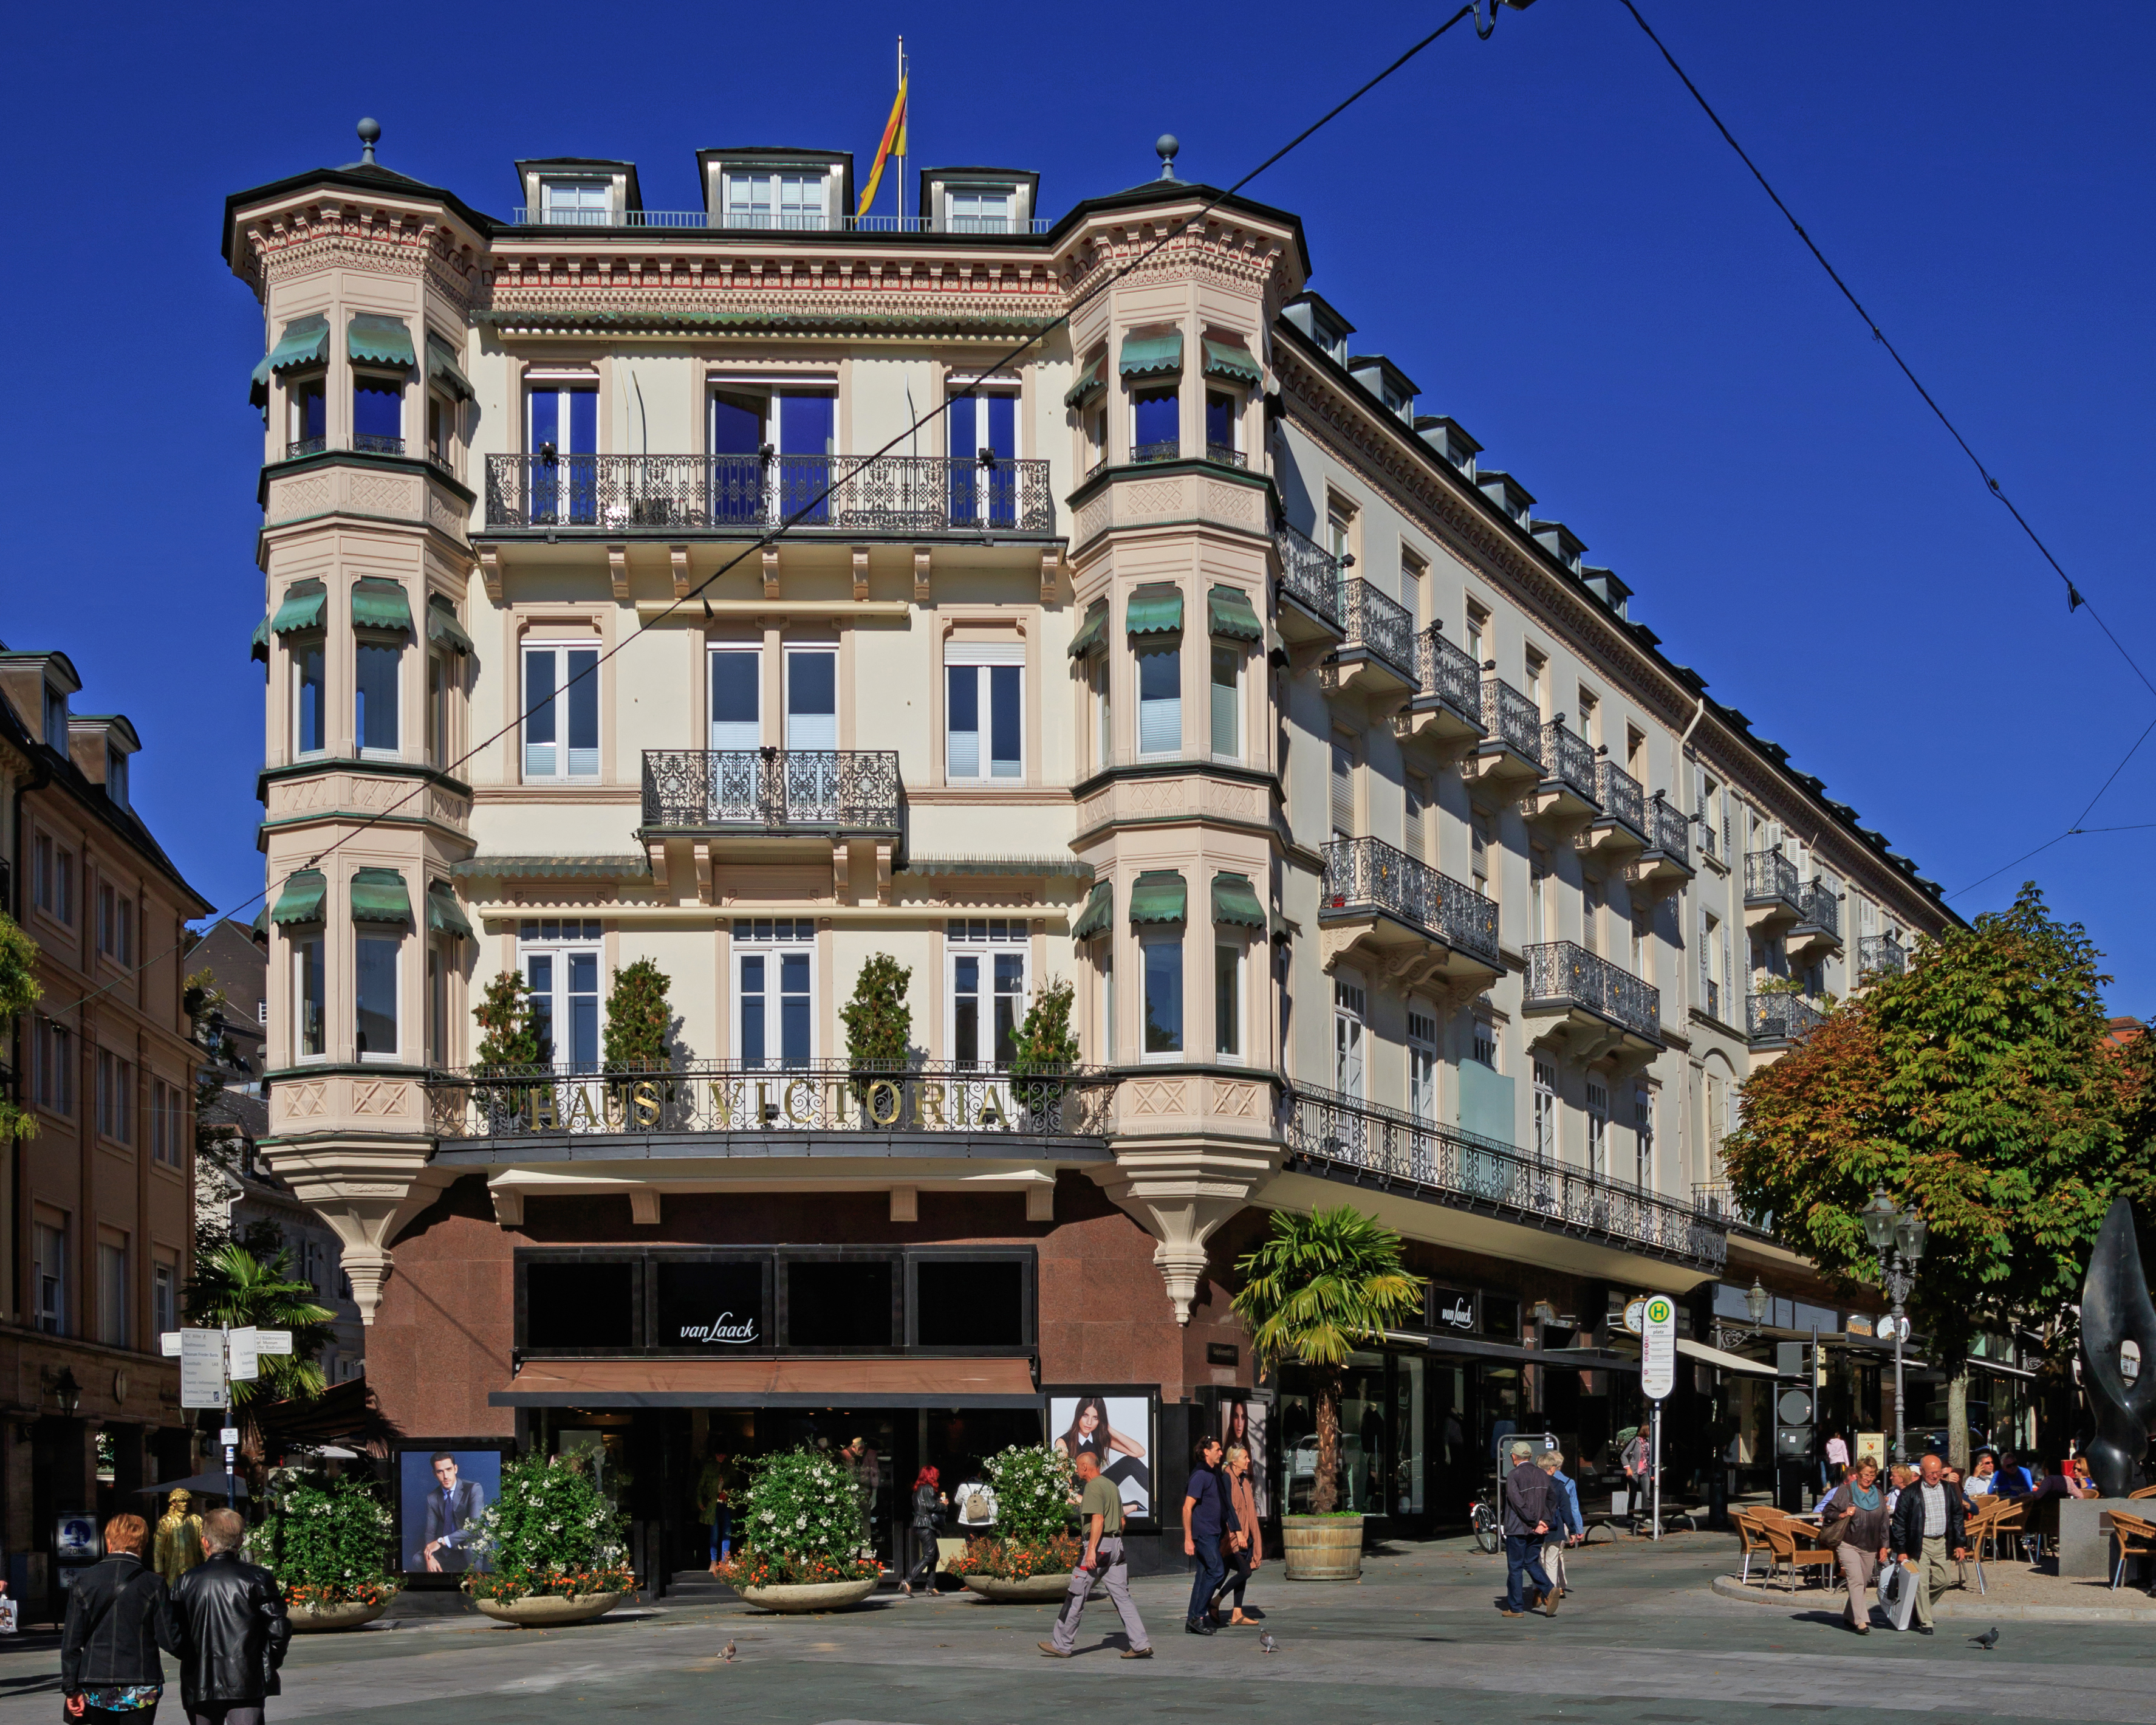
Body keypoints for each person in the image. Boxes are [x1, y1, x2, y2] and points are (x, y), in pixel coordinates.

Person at [172, 1507, 290, 1725]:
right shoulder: (257, 1577)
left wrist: (190, 1658)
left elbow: (173, 1632)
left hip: (200, 1680)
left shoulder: (185, 1582)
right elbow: (279, 1627)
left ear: (205, 1542)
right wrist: (267, 1660)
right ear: (240, 1541)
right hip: (246, 1678)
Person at [62, 1514, 182, 1722]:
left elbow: (71, 1643)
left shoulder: (84, 1581)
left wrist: (71, 1688)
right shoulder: (153, 1584)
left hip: (96, 1680)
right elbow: (170, 1639)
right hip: (141, 1681)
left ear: (108, 1542)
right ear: (143, 1544)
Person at [1039, 1451, 1151, 1659]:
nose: (1076, 1470)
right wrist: (1114, 1542)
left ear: (1085, 1468)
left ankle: (1061, 1644)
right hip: (1116, 1546)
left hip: (1099, 1546)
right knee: (1122, 1597)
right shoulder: (1111, 1486)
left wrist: (1091, 1549)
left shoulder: (1092, 1487)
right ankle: (1141, 1644)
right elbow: (1122, 1521)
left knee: (1076, 1593)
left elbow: (1098, 1519)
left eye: (1077, 1466)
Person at [1887, 1453, 1967, 1635]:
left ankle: (1918, 1608)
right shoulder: (1910, 1493)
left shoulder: (1948, 1489)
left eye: (1938, 1472)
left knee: (1944, 1580)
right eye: (1930, 1472)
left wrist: (1960, 1543)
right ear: (1922, 1471)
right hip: (1919, 1543)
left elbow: (1957, 1517)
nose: (1934, 1476)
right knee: (1921, 1583)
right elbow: (1899, 1523)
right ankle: (1926, 1622)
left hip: (1941, 1542)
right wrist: (1901, 1549)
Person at [1819, 1456, 1890, 1633]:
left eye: (1872, 1475)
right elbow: (1828, 1511)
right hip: (1848, 1543)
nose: (1869, 1478)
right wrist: (1842, 1514)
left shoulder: (1878, 1494)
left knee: (1863, 1582)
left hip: (1870, 1546)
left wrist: (1884, 1546)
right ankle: (1861, 1621)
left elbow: (1883, 1522)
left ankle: (1849, 1616)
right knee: (1856, 1581)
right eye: (1865, 1474)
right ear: (1858, 1474)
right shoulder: (1846, 1491)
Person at [1054, 1396, 1152, 1514]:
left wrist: (1109, 1429)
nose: (1089, 1422)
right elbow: (1066, 1493)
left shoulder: (1099, 1437)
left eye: (1096, 1418)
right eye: (1085, 1415)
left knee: (1130, 1462)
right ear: (1078, 1415)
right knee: (1080, 1511)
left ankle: (1160, 1497)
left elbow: (1139, 1452)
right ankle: (1126, 1508)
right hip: (1078, 1498)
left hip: (1097, 1489)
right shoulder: (1063, 1444)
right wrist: (1097, 1504)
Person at [1499, 1441, 1557, 1619]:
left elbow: (1518, 1503)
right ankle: (1549, 1589)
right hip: (1538, 1529)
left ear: (1514, 1457)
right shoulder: (1542, 1474)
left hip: (1518, 1528)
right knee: (1531, 1562)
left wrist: (1534, 1522)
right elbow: (1552, 1498)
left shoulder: (1513, 1475)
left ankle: (1516, 1608)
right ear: (1530, 1456)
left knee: (1515, 1568)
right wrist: (1544, 1521)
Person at [1210, 1442, 1264, 1627]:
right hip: (1232, 1536)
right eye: (1245, 1458)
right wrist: (1238, 1532)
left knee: (1242, 1572)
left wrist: (1254, 1538)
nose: (1248, 1461)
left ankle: (1237, 1613)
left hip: (1246, 1536)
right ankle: (1215, 1601)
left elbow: (1250, 1512)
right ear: (1234, 1461)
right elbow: (1230, 1509)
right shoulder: (1227, 1479)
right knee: (1244, 1571)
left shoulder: (1245, 1481)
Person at [1182, 1436, 1228, 1636]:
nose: (1221, 1453)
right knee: (1217, 1571)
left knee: (1202, 1577)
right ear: (1206, 1452)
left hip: (1214, 1533)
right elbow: (1187, 1508)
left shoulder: (1213, 1473)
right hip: (1204, 1534)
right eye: (1217, 1450)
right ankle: (1198, 1615)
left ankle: (1193, 1619)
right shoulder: (1201, 1475)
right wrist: (1188, 1538)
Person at [416, 1452, 486, 1573]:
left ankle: (476, 1586)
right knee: (418, 1559)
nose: (446, 1476)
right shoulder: (432, 1498)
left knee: (471, 1548)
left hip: (471, 1545)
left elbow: (475, 1528)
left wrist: (442, 1541)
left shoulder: (474, 1488)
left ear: (456, 1469)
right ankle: (441, 1590)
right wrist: (430, 1556)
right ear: (434, 1474)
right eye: (440, 1472)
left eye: (449, 1469)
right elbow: (430, 1533)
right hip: (449, 1550)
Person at [1538, 1448, 1583, 1601]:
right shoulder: (1561, 1484)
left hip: (1535, 1527)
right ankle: (1551, 1593)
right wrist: (1573, 1529)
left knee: (1537, 1561)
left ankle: (1537, 1590)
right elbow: (1567, 1509)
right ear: (1552, 1468)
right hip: (1555, 1527)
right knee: (1552, 1561)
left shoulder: (1533, 1484)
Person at [898, 1466, 946, 1597]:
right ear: (931, 1476)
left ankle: (931, 1585)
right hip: (927, 1525)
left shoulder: (918, 1489)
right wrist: (944, 1505)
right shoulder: (928, 1488)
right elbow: (932, 1506)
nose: (937, 1477)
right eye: (936, 1475)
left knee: (934, 1555)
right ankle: (908, 1581)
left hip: (921, 1524)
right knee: (929, 1555)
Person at [695, 1447, 740, 1572]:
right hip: (713, 1505)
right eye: (718, 1454)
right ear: (715, 1455)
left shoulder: (730, 1468)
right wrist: (700, 1501)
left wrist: (730, 1491)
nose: (721, 1456)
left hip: (726, 1503)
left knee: (727, 1533)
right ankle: (714, 1561)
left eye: (723, 1454)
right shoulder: (709, 1467)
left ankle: (725, 1561)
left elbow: (737, 1485)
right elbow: (701, 1486)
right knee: (714, 1533)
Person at [154, 1491, 206, 1588]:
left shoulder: (196, 1520)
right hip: (173, 1568)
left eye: (186, 1501)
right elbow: (158, 1547)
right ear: (174, 1503)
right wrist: (159, 1569)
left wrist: (208, 1564)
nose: (185, 1504)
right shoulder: (166, 1521)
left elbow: (204, 1545)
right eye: (181, 1501)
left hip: (193, 1568)